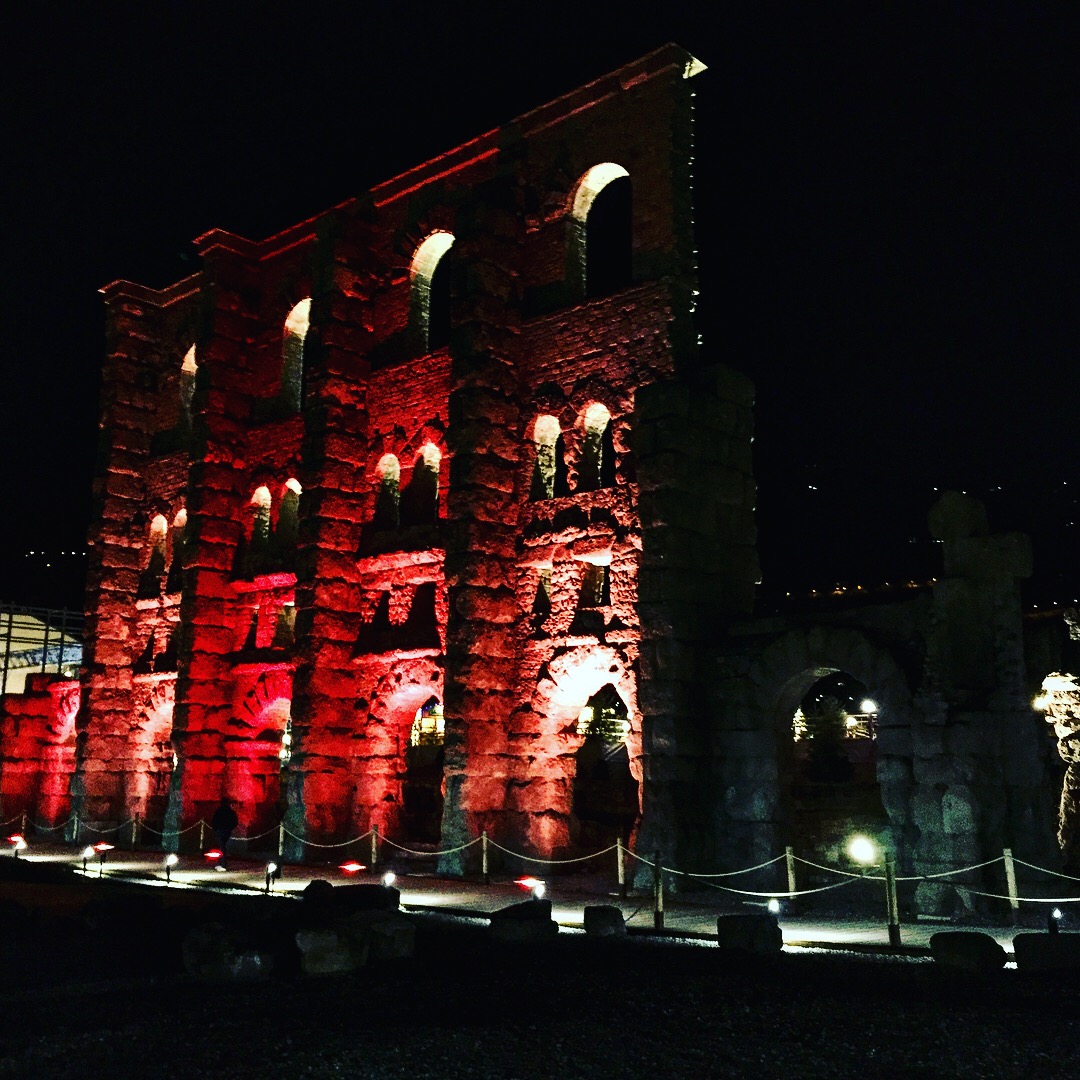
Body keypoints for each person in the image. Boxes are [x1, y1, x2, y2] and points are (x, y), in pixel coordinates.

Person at [211, 797, 238, 870]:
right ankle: (221, 863)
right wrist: (230, 828)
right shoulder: (230, 812)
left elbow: (214, 820)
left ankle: (222, 864)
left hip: (220, 830)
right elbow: (235, 821)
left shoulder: (219, 811)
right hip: (227, 830)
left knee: (221, 847)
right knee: (222, 847)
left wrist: (215, 828)